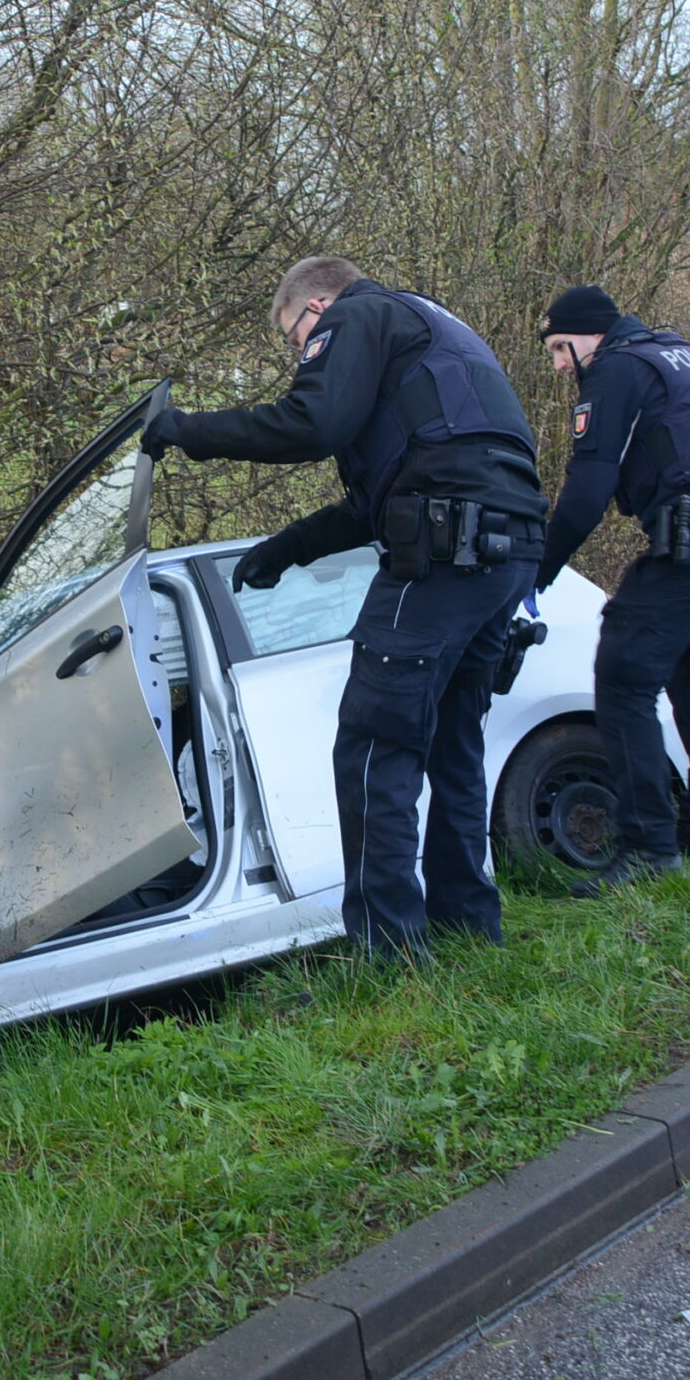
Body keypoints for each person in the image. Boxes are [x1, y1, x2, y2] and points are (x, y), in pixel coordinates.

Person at [141, 257, 546, 954]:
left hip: (445, 551)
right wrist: (288, 546)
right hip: (506, 550)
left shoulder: (359, 312)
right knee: (454, 739)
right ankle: (468, 928)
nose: (302, 355)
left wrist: (187, 431)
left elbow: (313, 421)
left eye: (297, 340)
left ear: (316, 306)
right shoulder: (431, 326)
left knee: (372, 741)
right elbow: (377, 498)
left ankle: (388, 951)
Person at [535, 285, 690, 896]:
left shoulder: (615, 371)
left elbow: (588, 492)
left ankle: (648, 846)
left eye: (560, 349)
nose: (560, 365)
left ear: (589, 335)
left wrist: (534, 573)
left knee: (622, 679)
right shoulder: (685, 355)